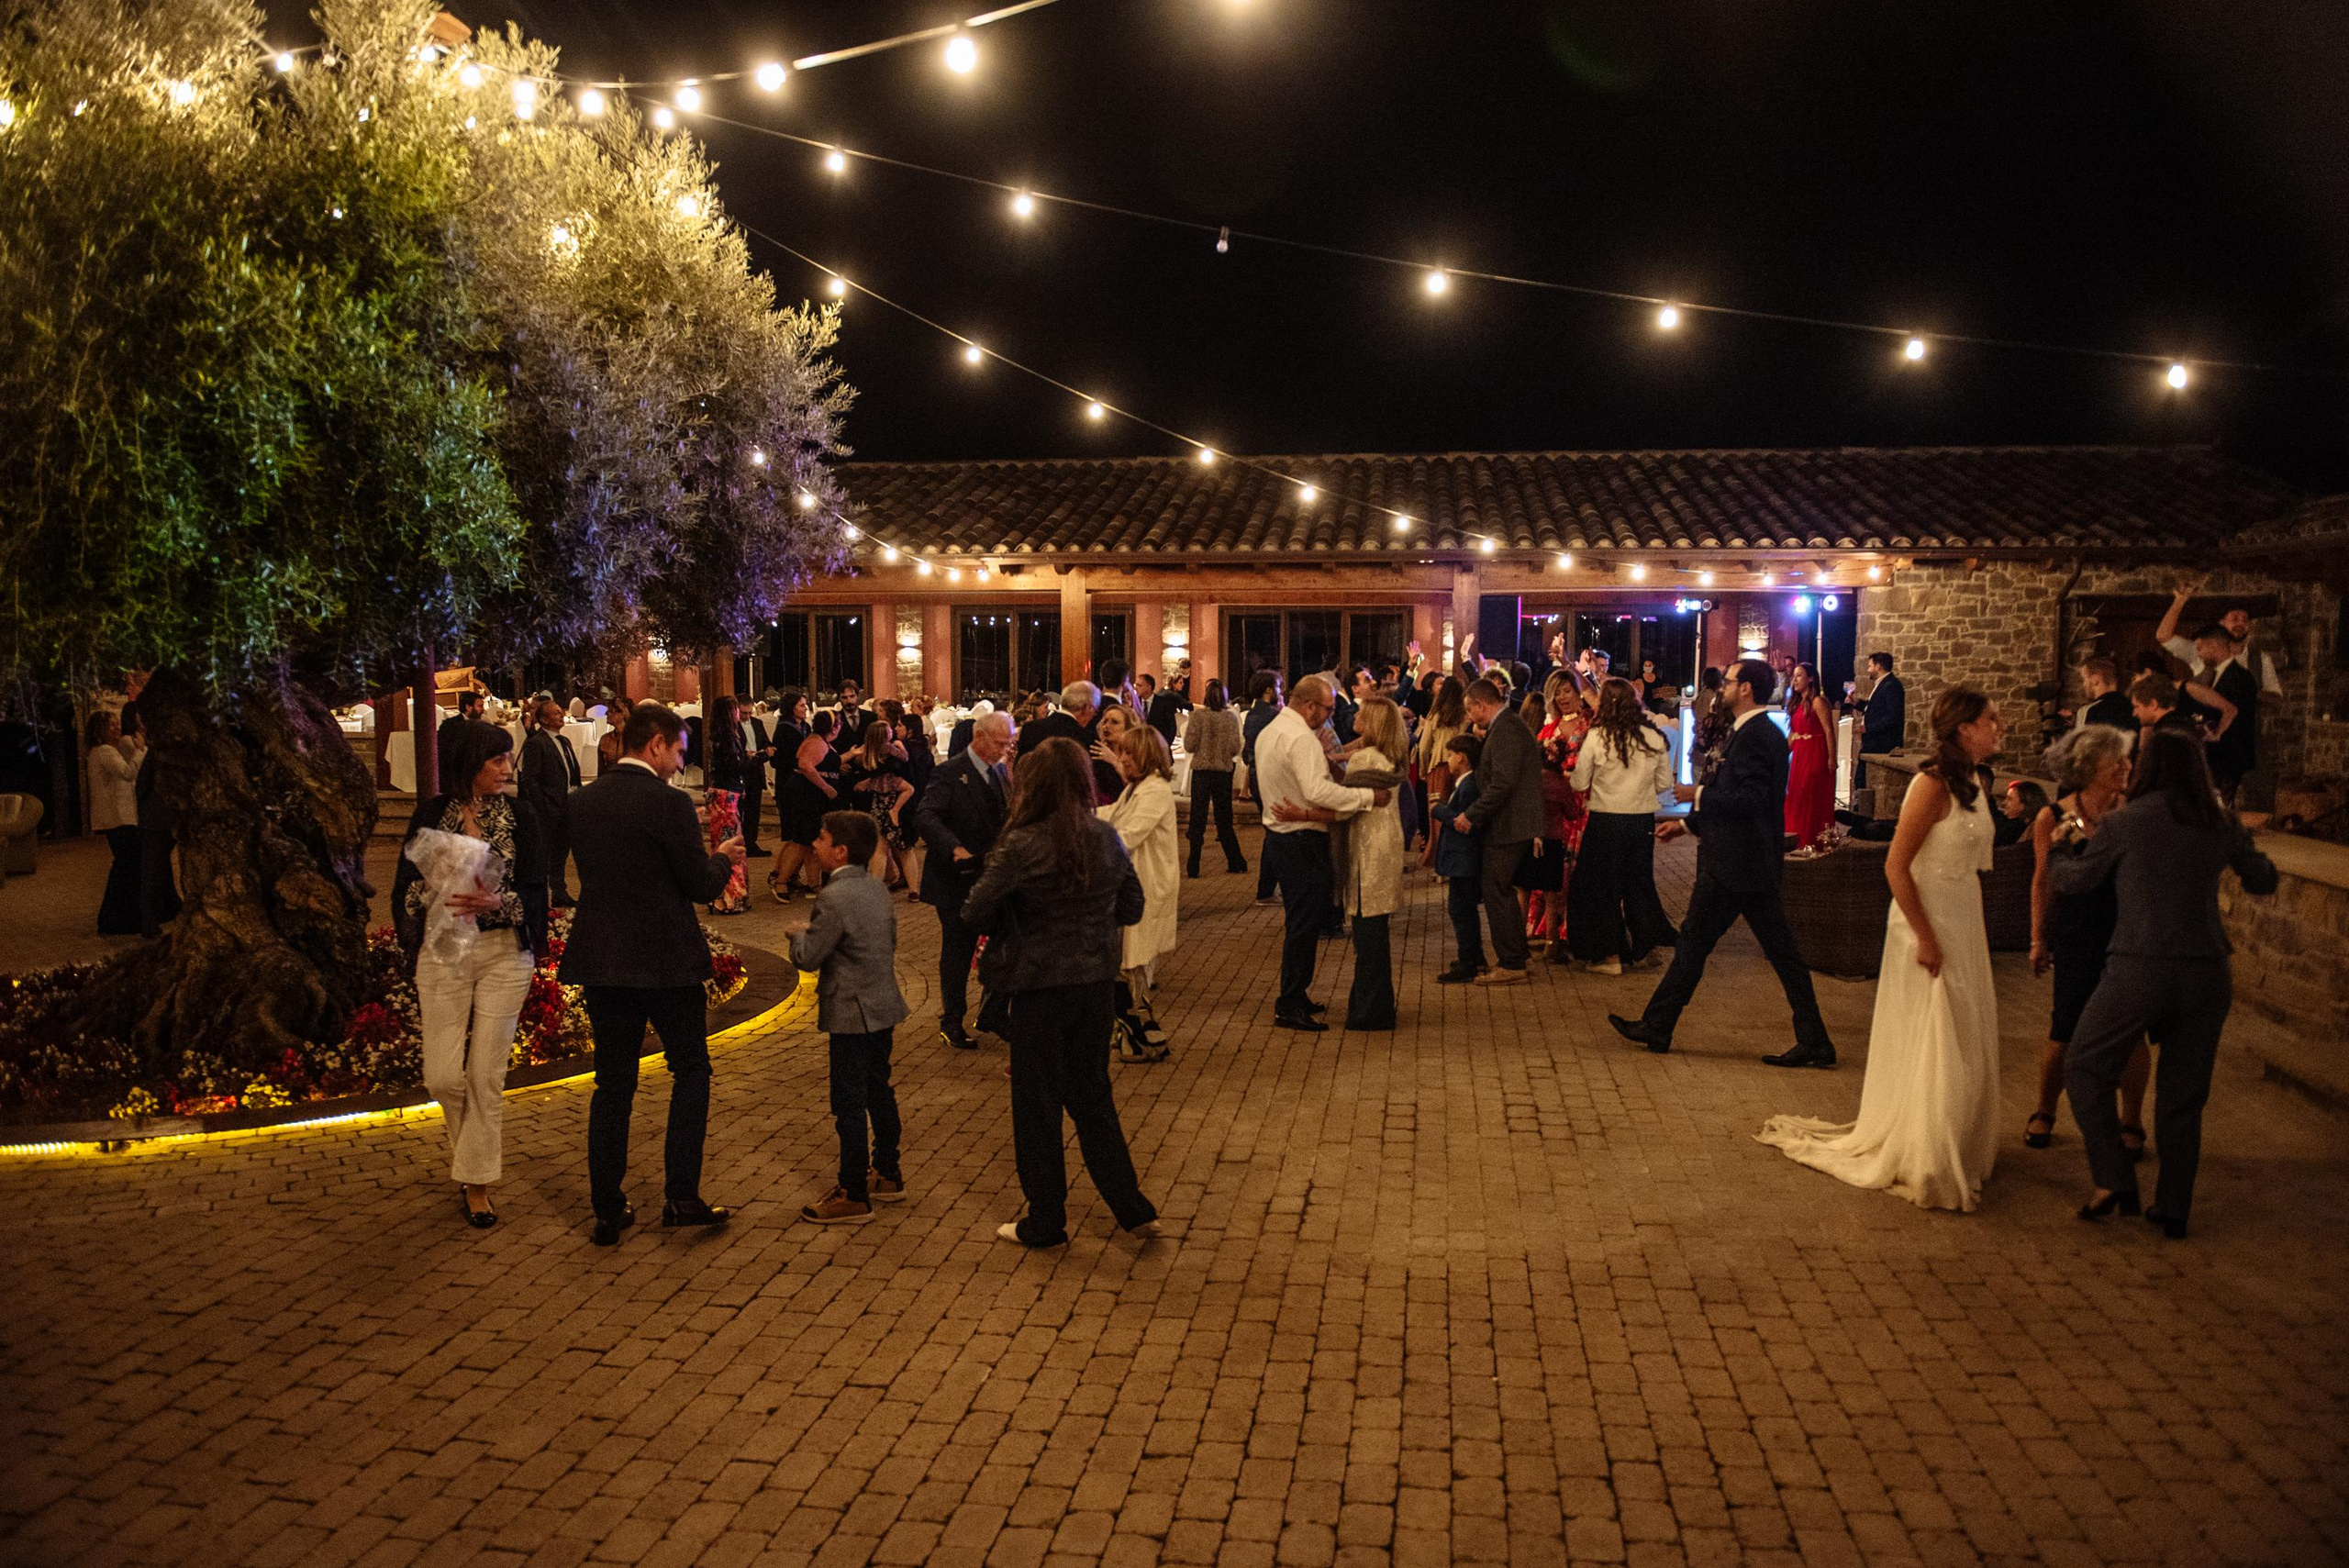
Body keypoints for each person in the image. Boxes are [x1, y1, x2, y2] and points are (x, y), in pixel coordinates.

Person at [1755, 689, 2007, 1210]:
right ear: (1964, 728)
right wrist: (1927, 935)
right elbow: (1897, 865)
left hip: (1964, 912)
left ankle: (1956, 1134)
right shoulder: (1931, 784)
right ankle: (1926, 1147)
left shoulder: (1978, 783)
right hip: (1928, 915)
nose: (2000, 727)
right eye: (1991, 720)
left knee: (1966, 1023)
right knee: (1935, 1028)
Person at [2055, 729, 2277, 1238]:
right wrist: (2243, 843)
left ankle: (2114, 1178)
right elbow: (2263, 879)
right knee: (2183, 1097)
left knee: (2085, 1065)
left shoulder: (2126, 823)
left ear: (2147, 767)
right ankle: (2173, 1208)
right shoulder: (2219, 820)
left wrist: (2064, 844)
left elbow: (2076, 880)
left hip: (2140, 966)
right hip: (2206, 971)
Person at [963, 738, 1162, 1249]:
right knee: (1093, 1097)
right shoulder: (1104, 836)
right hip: (1094, 984)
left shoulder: (1021, 842)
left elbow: (975, 909)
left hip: (1037, 986)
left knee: (1037, 1105)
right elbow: (1133, 907)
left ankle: (1047, 1220)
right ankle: (1131, 1207)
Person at [559, 702, 743, 1246]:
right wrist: (724, 857)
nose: (680, 764)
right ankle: (681, 1195)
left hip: (603, 958)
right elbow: (698, 885)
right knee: (691, 1070)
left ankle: (607, 1207)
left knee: (612, 1084)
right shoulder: (669, 804)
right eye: (680, 751)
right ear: (656, 743)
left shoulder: (582, 803)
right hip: (665, 959)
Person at [1609, 660, 1836, 1066]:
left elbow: (1750, 801)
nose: (1722, 689)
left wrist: (1694, 795)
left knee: (1699, 945)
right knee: (1765, 954)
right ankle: (1813, 1039)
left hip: (1737, 863)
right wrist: (1686, 824)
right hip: (1744, 862)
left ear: (1746, 689)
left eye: (1729, 682)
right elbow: (1731, 794)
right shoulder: (1748, 732)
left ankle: (1658, 1026)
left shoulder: (1757, 736)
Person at [393, 721, 550, 1229]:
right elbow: (403, 892)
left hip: (505, 953)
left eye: (509, 759)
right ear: (467, 764)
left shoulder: (521, 815)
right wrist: (436, 892)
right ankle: (470, 1161)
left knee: (485, 1074)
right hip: (444, 950)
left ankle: (477, 1184)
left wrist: (498, 900)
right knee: (442, 1075)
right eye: (497, 761)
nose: (508, 769)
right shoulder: (430, 814)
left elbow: (538, 892)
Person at [2025, 725, 2149, 1155]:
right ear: (2090, 767)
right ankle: (2044, 1109)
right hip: (2076, 934)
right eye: (2117, 760)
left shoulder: (2133, 813)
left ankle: (2131, 1120)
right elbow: (2043, 882)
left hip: (2126, 934)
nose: (2126, 767)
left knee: (2132, 1032)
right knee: (2065, 1028)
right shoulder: (2052, 817)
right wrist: (2038, 939)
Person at [787, 811, 911, 1225]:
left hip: (850, 1011)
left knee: (848, 1104)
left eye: (822, 839)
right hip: (884, 1004)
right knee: (880, 1088)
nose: (816, 844)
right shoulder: (877, 890)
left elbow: (808, 958)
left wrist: (797, 936)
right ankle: (888, 1173)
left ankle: (853, 1191)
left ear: (840, 850)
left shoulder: (833, 897)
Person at [1253, 675, 1386, 1029]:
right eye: (1327, 709)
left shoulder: (1271, 731)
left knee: (1303, 922)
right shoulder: (1301, 739)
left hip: (1280, 836)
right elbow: (1317, 792)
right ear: (1309, 705)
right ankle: (1289, 1002)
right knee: (1303, 924)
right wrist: (1366, 797)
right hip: (1301, 838)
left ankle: (1296, 995)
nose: (1329, 716)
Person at [1276, 695, 1408, 1030]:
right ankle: (1373, 1005)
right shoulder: (1383, 756)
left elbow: (1347, 803)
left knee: (1369, 935)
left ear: (1374, 723)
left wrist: (1301, 813)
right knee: (1374, 931)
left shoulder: (1367, 759)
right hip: (1384, 845)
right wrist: (1336, 761)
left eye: (1364, 713)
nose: (1356, 714)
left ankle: (1372, 1011)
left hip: (1369, 851)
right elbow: (1350, 782)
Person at [912, 709, 1012, 1049]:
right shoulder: (950, 773)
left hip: (990, 879)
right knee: (957, 952)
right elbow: (926, 816)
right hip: (954, 880)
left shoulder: (999, 773)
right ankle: (952, 1020)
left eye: (1008, 743)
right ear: (979, 738)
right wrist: (953, 848)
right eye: (1000, 743)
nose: (1004, 749)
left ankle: (992, 1011)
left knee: (1008, 942)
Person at [1564, 678, 1678, 975]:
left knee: (1601, 887)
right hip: (1642, 821)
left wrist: (1570, 777)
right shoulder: (1652, 738)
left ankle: (1609, 955)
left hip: (1606, 821)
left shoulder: (1598, 737)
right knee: (1638, 884)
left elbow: (1580, 781)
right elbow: (1665, 784)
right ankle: (1646, 946)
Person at [1100, 724, 1179, 1059]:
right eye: (1122, 752)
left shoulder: (1155, 791)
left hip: (1148, 886)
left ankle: (1142, 1038)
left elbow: (1128, 834)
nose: (1123, 759)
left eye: (1129, 753)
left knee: (1133, 966)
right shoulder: (1136, 788)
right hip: (1134, 886)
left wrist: (1086, 837)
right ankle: (1141, 1036)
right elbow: (1112, 815)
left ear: (1146, 755)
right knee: (1128, 965)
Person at [1457, 678, 1543, 985]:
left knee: (1497, 889)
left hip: (1509, 824)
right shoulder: (1508, 725)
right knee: (1500, 888)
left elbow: (1503, 782)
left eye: (1471, 710)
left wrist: (1472, 814)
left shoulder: (1506, 727)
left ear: (1481, 704)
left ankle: (1511, 962)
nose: (1470, 717)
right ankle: (1519, 954)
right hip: (1513, 823)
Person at [1520, 677, 1586, 951]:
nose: (1562, 697)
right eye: (1557, 693)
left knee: (1576, 871)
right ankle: (1547, 932)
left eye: (1567, 690)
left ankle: (1572, 927)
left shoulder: (1590, 726)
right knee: (1549, 876)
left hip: (1580, 805)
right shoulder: (1547, 731)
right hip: (1551, 811)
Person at [1430, 735, 1486, 980]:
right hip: (1463, 858)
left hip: (1464, 858)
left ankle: (1468, 961)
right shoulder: (1465, 784)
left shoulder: (1469, 786)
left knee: (1460, 910)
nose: (1448, 760)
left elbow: (1461, 820)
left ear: (1462, 757)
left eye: (1451, 755)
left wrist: (1438, 809)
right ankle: (1474, 956)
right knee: (1464, 909)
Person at [771, 710, 843, 902]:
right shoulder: (817, 742)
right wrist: (826, 786)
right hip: (805, 795)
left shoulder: (820, 741)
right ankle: (781, 882)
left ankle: (813, 884)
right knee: (801, 840)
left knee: (811, 841)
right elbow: (805, 765)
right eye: (838, 723)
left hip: (811, 796)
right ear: (832, 726)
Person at [520, 698, 583, 907]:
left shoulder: (564, 741)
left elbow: (572, 772)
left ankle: (559, 892)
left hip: (569, 804)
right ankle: (539, 896)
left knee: (561, 853)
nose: (562, 714)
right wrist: (543, 806)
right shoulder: (536, 743)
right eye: (556, 713)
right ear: (545, 719)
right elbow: (530, 780)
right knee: (545, 853)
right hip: (550, 808)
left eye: (560, 710)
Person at [86, 709, 144, 936]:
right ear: (100, 730)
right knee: (126, 866)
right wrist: (139, 752)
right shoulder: (105, 752)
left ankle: (119, 916)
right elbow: (127, 773)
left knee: (125, 866)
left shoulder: (104, 752)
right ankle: (115, 918)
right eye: (112, 726)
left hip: (118, 818)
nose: (117, 728)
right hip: (118, 818)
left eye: (117, 724)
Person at [1181, 680, 1247, 877]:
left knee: (1197, 818)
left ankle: (1194, 864)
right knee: (1224, 819)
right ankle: (1235, 860)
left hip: (1202, 771)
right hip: (1223, 771)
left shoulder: (1198, 717)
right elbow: (1236, 748)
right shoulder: (1230, 718)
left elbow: (1190, 745)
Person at [1019, 679, 1123, 803]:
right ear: (1086, 708)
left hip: (1032, 805)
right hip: (1068, 812)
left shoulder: (1030, 729)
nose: (1093, 716)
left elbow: (1020, 771)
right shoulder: (1087, 740)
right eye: (1094, 711)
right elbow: (1107, 787)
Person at [129, 698, 182, 939]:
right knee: (153, 870)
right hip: (158, 819)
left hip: (159, 818)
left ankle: (157, 916)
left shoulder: (160, 751)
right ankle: (148, 922)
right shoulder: (160, 752)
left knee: (156, 869)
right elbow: (142, 786)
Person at [700, 695, 753, 915]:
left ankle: (723, 896)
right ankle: (729, 897)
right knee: (730, 843)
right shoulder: (728, 739)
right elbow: (734, 768)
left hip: (721, 794)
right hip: (726, 797)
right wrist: (755, 761)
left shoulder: (718, 737)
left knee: (722, 842)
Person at [1414, 676, 1469, 871]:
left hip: (1438, 767)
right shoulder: (1465, 715)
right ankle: (1452, 860)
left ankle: (1437, 860)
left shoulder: (1435, 715)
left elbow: (1423, 747)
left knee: (1437, 815)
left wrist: (1423, 770)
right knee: (1456, 812)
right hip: (1460, 768)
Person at [1783, 662, 1836, 850]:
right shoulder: (1796, 705)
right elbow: (1793, 734)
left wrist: (1832, 758)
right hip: (1799, 755)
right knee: (1796, 797)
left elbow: (1829, 731)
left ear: (1810, 678)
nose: (1794, 680)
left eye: (1799, 675)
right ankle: (1797, 840)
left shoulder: (1818, 702)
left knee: (1811, 799)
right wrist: (1781, 755)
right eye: (1794, 676)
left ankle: (1813, 841)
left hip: (1815, 754)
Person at [1852, 653, 1906, 788]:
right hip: (1873, 742)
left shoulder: (1891, 685)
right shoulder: (1883, 684)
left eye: (1870, 666)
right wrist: (1857, 703)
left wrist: (1868, 728)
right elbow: (1875, 709)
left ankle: (1863, 808)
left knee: (1865, 782)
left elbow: (1893, 716)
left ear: (1879, 667)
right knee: (1861, 779)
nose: (1868, 670)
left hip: (1880, 743)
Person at [739, 702, 776, 859]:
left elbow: (765, 742)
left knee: (754, 810)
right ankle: (739, 843)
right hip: (741, 768)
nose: (746, 716)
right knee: (740, 809)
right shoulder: (732, 725)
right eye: (743, 713)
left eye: (749, 713)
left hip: (756, 768)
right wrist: (746, 754)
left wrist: (767, 749)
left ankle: (751, 843)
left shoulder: (757, 723)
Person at [435, 688, 485, 795]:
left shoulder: (482, 724)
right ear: (468, 707)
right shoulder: (450, 725)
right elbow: (444, 754)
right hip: (455, 780)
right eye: (480, 706)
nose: (483, 710)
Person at [2073, 657, 2133, 736]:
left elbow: (2082, 746)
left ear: (2095, 680)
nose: (2083, 684)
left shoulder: (2091, 711)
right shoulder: (2133, 707)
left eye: (2083, 679)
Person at [596, 696, 632, 772]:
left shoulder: (634, 738)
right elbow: (600, 770)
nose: (606, 714)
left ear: (622, 714)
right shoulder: (605, 739)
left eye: (611, 711)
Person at [834, 680, 871, 748]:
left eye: (852, 696)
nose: (849, 701)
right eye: (844, 697)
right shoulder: (834, 721)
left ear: (858, 696)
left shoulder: (871, 718)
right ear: (839, 699)